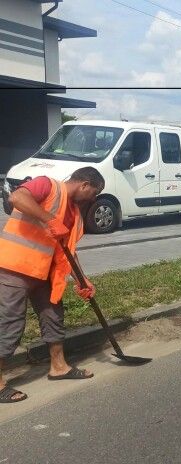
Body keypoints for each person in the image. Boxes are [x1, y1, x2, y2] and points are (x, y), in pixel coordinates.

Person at [0, 167, 104, 403]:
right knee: (10, 322)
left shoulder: (75, 213)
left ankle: (59, 367)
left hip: (45, 274)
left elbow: (68, 251)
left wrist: (82, 280)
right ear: (84, 185)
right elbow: (16, 197)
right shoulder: (48, 185)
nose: (94, 199)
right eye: (94, 193)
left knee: (54, 317)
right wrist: (49, 219)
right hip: (15, 268)